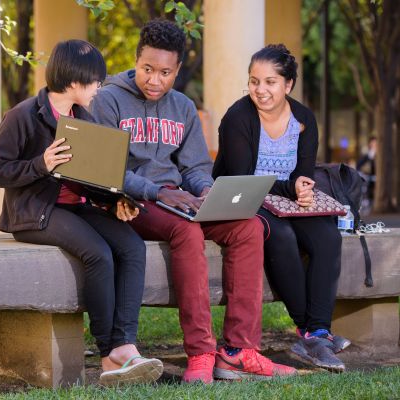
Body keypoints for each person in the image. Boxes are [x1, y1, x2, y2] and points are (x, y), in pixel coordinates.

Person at [90, 19, 296, 383]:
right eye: (147, 69)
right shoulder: (107, 99)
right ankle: (201, 352)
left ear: (178, 70)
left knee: (248, 227)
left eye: (165, 72)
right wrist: (157, 191)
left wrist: (204, 191)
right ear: (136, 60)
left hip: (179, 201)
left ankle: (238, 351)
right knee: (187, 232)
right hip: (134, 202)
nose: (155, 80)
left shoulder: (182, 107)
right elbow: (108, 170)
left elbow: (197, 168)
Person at [0, 39, 163, 386]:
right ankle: (109, 352)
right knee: (99, 254)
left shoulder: (83, 117)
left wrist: (115, 202)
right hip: (36, 213)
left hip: (76, 208)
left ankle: (125, 344)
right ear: (75, 80)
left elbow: (91, 177)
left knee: (132, 247)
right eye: (96, 81)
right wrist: (41, 164)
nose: (99, 88)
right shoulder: (23, 115)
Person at [212, 44, 349, 372]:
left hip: (286, 201)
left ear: (288, 85)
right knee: (282, 235)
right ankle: (308, 333)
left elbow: (304, 168)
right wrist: (290, 187)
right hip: (244, 200)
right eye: (254, 81)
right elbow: (244, 178)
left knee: (329, 237)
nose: (260, 90)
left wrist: (302, 188)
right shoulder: (238, 117)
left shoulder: (303, 118)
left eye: (270, 82)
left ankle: (318, 331)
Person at [357, 136, 376, 204]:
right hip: (368, 176)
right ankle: (367, 200)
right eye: (373, 143)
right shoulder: (368, 154)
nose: (374, 144)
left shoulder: (379, 154)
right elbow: (359, 165)